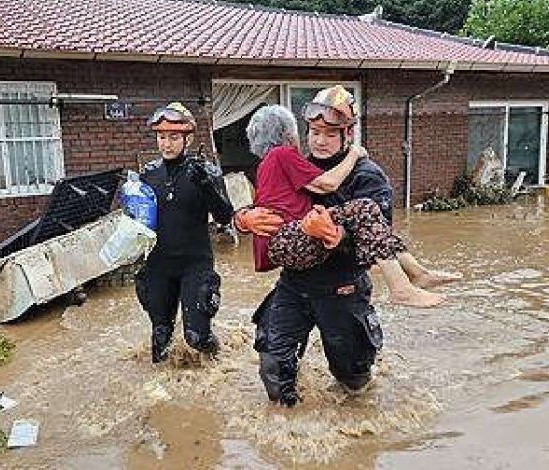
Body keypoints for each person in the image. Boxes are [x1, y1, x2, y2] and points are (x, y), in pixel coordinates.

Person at [234, 86, 457, 406]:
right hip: (294, 284)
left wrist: (338, 238)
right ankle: (287, 425)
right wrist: (243, 219)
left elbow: (377, 236)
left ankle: (354, 429)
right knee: (273, 362)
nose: (319, 140)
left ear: (347, 135)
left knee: (353, 379)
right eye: (313, 132)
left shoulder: (368, 176)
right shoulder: (296, 162)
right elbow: (265, 204)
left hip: (342, 287)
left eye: (329, 134)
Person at [134, 102, 234, 363]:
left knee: (196, 337)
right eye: (161, 137)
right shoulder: (148, 175)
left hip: (195, 263)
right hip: (158, 265)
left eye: (174, 138)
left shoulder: (206, 172)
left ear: (188, 139)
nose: (166, 144)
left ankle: (219, 364)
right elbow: (138, 222)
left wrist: (207, 186)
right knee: (160, 340)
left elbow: (225, 216)